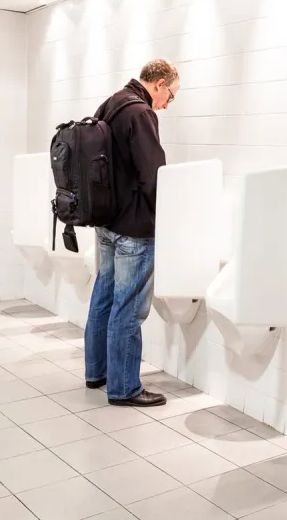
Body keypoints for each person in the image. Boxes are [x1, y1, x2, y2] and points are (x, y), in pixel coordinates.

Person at [83, 59, 180, 407]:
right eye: (171, 94)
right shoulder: (141, 113)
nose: (168, 103)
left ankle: (97, 372)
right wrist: (167, 218)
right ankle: (124, 387)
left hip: (107, 223)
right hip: (134, 229)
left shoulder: (111, 104)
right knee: (129, 307)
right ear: (158, 83)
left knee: (104, 296)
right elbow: (153, 174)